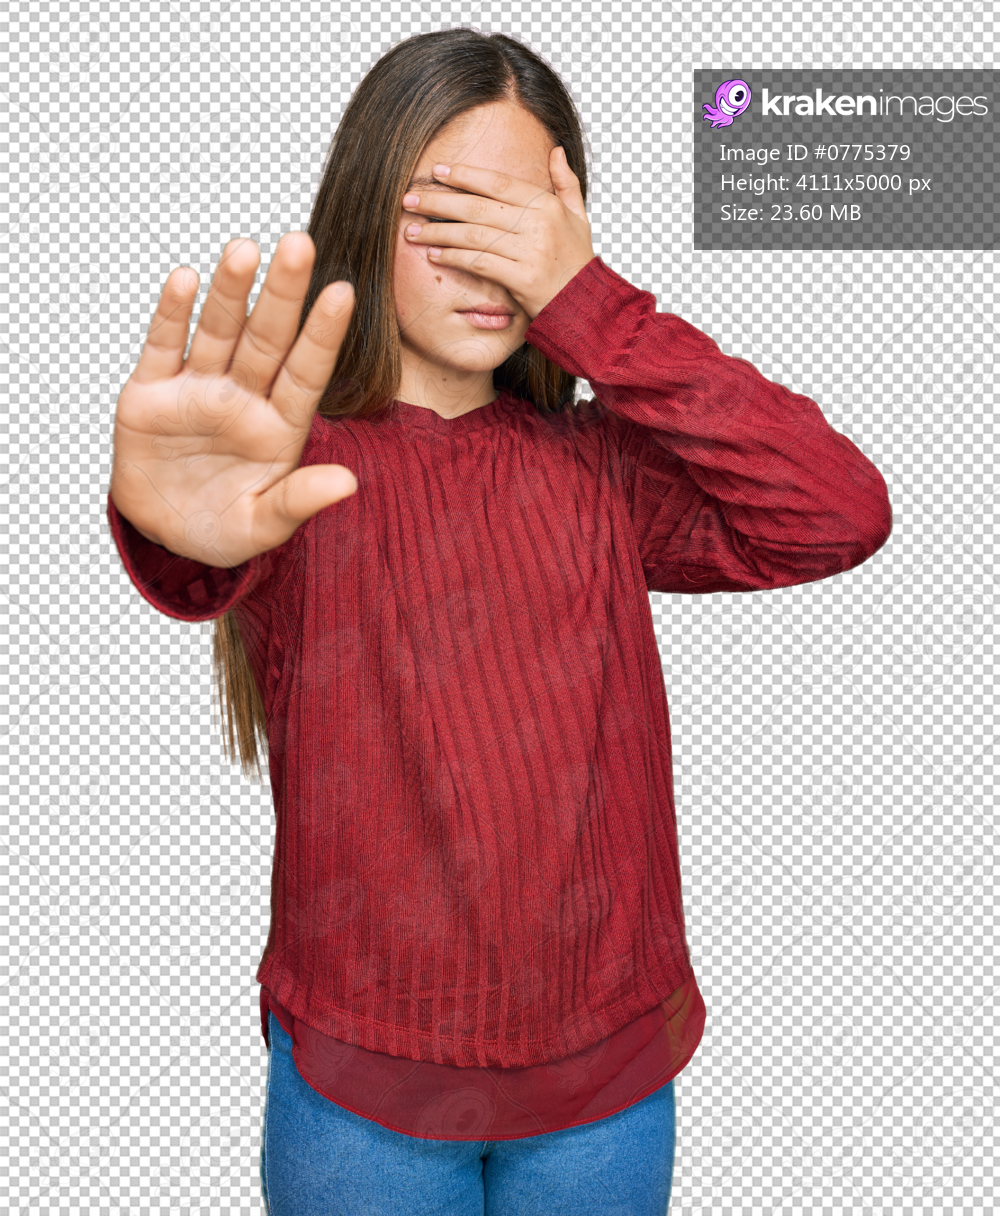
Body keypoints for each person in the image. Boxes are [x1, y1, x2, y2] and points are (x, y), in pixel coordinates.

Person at [106, 27, 892, 1216]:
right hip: (361, 1087)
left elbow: (836, 510)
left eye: (518, 222)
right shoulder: (292, 469)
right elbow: (199, 560)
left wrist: (596, 308)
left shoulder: (599, 471)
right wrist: (178, 532)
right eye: (446, 217)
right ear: (368, 215)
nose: (489, 263)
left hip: (605, 1080)